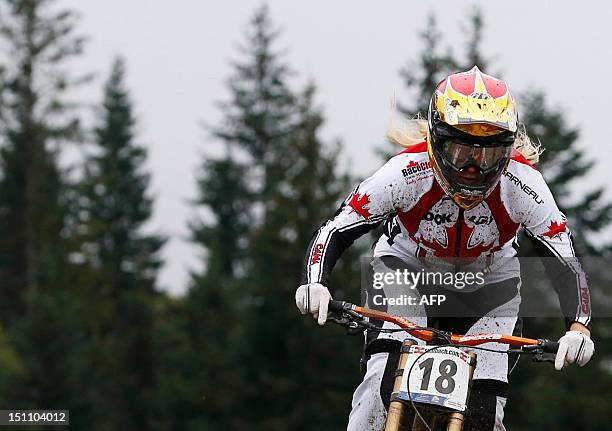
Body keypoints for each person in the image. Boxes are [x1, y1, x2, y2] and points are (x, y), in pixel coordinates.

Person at [294, 66, 594, 430]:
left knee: (486, 413)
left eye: (487, 155)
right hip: (407, 272)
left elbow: (564, 259)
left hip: (490, 284)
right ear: (436, 141)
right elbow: (336, 229)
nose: (473, 169)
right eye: (460, 151)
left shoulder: (524, 186)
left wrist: (579, 327)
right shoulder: (404, 173)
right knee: (379, 391)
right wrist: (316, 281)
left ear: (508, 150)